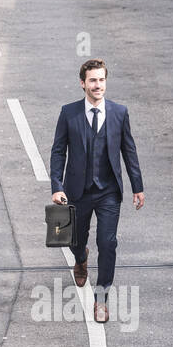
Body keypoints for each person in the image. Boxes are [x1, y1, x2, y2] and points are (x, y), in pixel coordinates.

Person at [49, 59, 145, 323]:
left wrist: (138, 187)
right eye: (92, 80)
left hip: (109, 192)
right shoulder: (69, 113)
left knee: (108, 242)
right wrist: (57, 187)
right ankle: (80, 258)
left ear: (106, 82)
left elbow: (129, 151)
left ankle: (101, 298)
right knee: (75, 239)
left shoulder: (119, 112)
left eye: (101, 80)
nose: (98, 85)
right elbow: (59, 152)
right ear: (83, 83)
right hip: (77, 191)